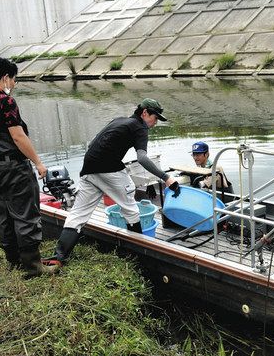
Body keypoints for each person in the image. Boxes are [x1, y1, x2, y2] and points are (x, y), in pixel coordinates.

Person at [44, 98, 179, 266]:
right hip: (109, 168)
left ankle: (58, 257)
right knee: (131, 210)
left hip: (89, 167)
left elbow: (93, 142)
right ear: (144, 113)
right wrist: (166, 178)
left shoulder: (119, 120)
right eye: (155, 118)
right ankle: (137, 258)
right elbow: (142, 158)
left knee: (78, 214)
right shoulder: (139, 126)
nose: (155, 122)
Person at [0, 57, 58, 278]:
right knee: (26, 212)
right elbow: (18, 137)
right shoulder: (5, 102)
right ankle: (33, 265)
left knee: (6, 212)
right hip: (15, 167)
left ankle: (13, 259)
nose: (14, 84)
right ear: (6, 78)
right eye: (14, 79)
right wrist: (38, 162)